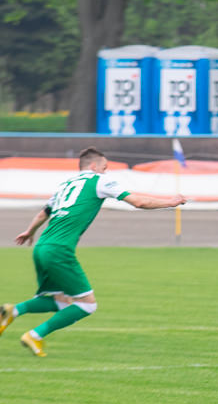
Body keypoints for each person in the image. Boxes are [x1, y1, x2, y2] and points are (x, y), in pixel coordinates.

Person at [0, 147, 185, 357]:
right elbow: (138, 202)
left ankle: (11, 311)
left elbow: (44, 213)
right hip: (59, 250)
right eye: (104, 168)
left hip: (41, 247)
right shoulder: (98, 180)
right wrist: (170, 202)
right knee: (87, 305)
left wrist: (29, 231)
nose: (106, 173)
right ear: (94, 166)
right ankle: (35, 335)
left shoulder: (65, 185)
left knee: (61, 302)